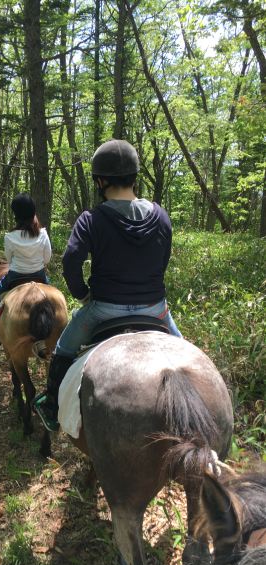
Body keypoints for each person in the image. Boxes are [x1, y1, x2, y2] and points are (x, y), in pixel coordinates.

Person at [33, 138, 182, 432]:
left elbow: (72, 259)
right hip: (155, 309)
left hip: (103, 310)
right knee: (189, 354)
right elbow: (162, 259)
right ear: (134, 176)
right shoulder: (161, 215)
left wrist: (82, 293)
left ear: (101, 180)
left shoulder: (91, 219)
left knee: (63, 349)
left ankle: (52, 407)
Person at [0, 192, 52, 348]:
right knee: (55, 296)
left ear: (16, 215)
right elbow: (47, 259)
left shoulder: (9, 237)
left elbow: (9, 259)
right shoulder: (43, 234)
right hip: (40, 276)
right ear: (33, 212)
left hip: (15, 277)